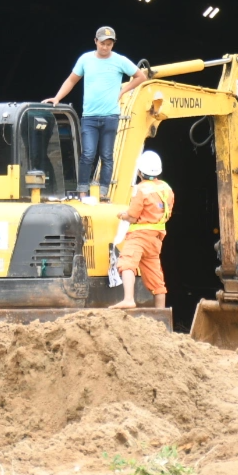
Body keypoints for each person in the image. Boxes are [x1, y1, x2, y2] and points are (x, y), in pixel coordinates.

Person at [43, 26, 148, 194]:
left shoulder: (120, 60)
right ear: (95, 41)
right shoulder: (85, 59)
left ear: (113, 44)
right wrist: (57, 98)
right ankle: (83, 191)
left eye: (109, 44)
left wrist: (122, 91)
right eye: (102, 43)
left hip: (110, 116)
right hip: (90, 117)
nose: (105, 47)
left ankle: (103, 193)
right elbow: (71, 80)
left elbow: (141, 76)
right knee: (88, 154)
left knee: (106, 155)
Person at [111, 149, 173, 309]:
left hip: (139, 236)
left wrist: (122, 215)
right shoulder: (166, 189)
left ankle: (128, 299)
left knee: (126, 263)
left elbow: (132, 216)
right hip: (156, 239)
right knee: (156, 278)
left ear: (139, 172)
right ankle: (161, 313)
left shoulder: (141, 189)